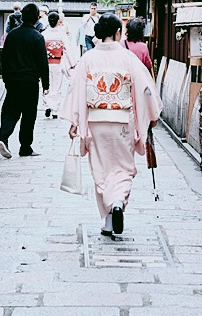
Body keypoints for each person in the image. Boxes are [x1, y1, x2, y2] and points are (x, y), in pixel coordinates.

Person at [63, 13, 162, 236]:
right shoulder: (128, 58)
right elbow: (145, 89)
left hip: (95, 122)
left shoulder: (88, 58)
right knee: (124, 168)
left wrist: (75, 121)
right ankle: (118, 202)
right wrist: (151, 114)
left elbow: (76, 89)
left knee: (101, 169)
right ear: (118, 33)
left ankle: (108, 221)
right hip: (123, 122)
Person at [0, 3, 49, 159]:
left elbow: (3, 60)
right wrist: (46, 84)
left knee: (10, 111)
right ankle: (25, 147)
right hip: (30, 81)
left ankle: (3, 138)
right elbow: (42, 63)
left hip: (12, 80)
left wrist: (6, 79)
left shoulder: (12, 35)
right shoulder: (37, 37)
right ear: (37, 18)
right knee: (28, 114)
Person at [41, 11, 76, 119]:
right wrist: (73, 63)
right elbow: (68, 49)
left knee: (47, 85)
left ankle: (47, 104)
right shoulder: (61, 34)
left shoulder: (44, 34)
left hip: (45, 63)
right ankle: (54, 109)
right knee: (57, 86)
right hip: (58, 62)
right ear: (58, 21)